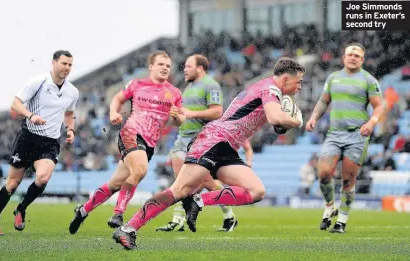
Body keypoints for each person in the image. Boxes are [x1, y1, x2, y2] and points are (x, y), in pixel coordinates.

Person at [112, 57, 305, 250]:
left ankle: (199, 200)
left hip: (227, 146)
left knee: (256, 191)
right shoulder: (270, 89)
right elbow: (274, 117)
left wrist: (284, 122)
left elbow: (276, 123)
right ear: (286, 79)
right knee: (179, 190)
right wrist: (296, 121)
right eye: (299, 82)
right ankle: (128, 229)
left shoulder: (271, 91)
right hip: (213, 140)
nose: (300, 87)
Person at [68, 50, 185, 234]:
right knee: (140, 170)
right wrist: (114, 112)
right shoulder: (136, 84)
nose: (165, 68)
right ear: (151, 67)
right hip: (131, 133)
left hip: (149, 144)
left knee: (114, 184)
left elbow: (180, 120)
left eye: (168, 66)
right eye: (161, 64)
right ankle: (118, 214)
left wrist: (177, 117)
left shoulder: (174, 93)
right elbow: (117, 98)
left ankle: (82, 211)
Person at [0, 50, 79, 236]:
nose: (67, 68)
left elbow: (69, 113)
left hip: (50, 142)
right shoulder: (38, 82)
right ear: (53, 63)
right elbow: (16, 103)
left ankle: (21, 208)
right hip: (28, 139)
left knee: (43, 177)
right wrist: (31, 115)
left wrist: (70, 129)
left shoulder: (72, 91)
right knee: (12, 184)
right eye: (64, 63)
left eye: (70, 64)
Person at [306, 43, 385, 233]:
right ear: (343, 57)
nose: (353, 57)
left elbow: (379, 106)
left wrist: (371, 123)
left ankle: (341, 222)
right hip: (334, 134)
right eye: (350, 54)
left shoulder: (368, 80)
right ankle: (329, 206)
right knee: (324, 173)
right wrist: (313, 117)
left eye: (357, 55)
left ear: (362, 60)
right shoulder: (333, 78)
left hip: (356, 135)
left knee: (348, 180)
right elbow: (324, 101)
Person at [155, 54, 238, 233]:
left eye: (188, 66)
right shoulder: (187, 88)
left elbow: (217, 112)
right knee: (180, 182)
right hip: (182, 138)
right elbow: (182, 117)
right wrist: (176, 116)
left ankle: (229, 215)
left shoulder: (211, 85)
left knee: (205, 182)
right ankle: (178, 219)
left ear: (200, 68)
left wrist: (190, 114)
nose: (184, 69)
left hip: (202, 140)